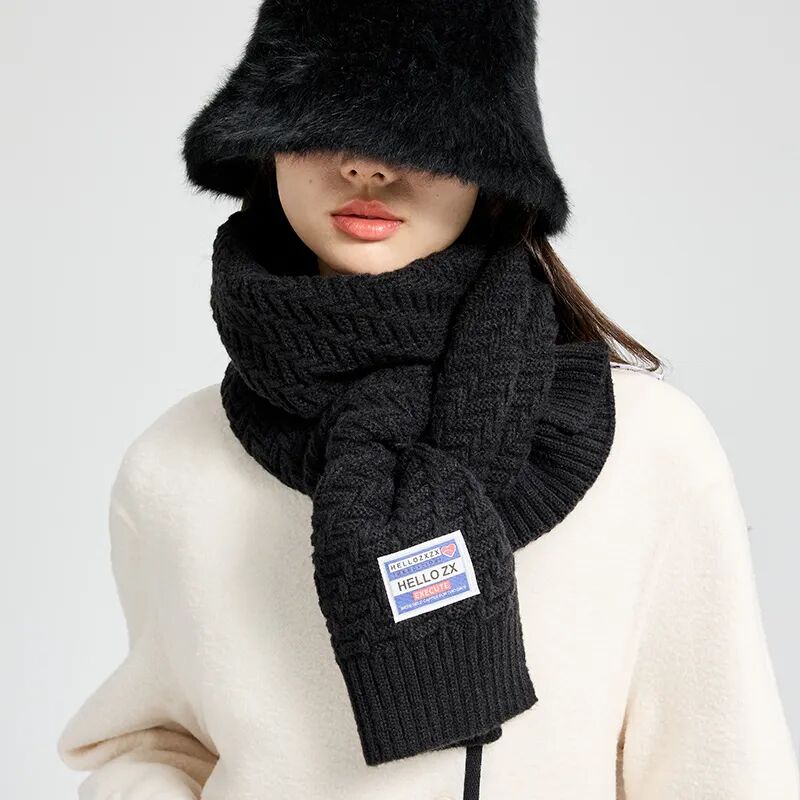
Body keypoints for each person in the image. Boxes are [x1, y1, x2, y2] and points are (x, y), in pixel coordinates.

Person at [56, 1, 799, 798]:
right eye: (324, 118)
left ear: (492, 162)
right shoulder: (174, 467)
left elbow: (725, 771)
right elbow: (158, 743)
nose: (368, 167)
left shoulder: (651, 449)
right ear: (266, 138)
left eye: (420, 130)